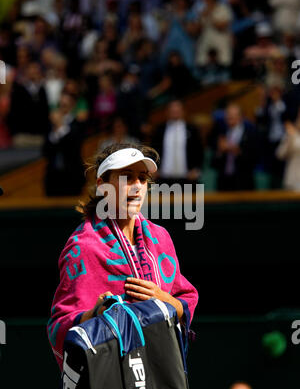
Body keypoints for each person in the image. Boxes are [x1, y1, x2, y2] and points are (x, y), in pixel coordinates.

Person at [47, 142, 199, 371]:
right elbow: (60, 325)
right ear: (102, 185)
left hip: (162, 377)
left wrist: (166, 302)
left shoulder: (161, 237)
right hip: (110, 384)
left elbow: (184, 300)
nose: (137, 186)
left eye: (142, 178)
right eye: (127, 177)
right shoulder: (83, 246)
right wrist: (95, 314)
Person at [152, 99, 203, 187]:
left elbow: (199, 151)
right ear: (167, 112)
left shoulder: (192, 129)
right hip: (163, 179)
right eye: (172, 110)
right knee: (162, 201)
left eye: (177, 110)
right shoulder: (159, 130)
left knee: (190, 201)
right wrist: (154, 169)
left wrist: (196, 170)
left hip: (188, 178)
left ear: (183, 111)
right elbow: (153, 150)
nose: (175, 112)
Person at [210, 103, 258, 191]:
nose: (229, 117)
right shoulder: (220, 132)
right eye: (228, 114)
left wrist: (238, 151)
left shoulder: (251, 133)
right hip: (224, 182)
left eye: (233, 115)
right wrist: (219, 152)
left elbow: (254, 159)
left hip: (243, 182)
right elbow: (213, 163)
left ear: (241, 117)